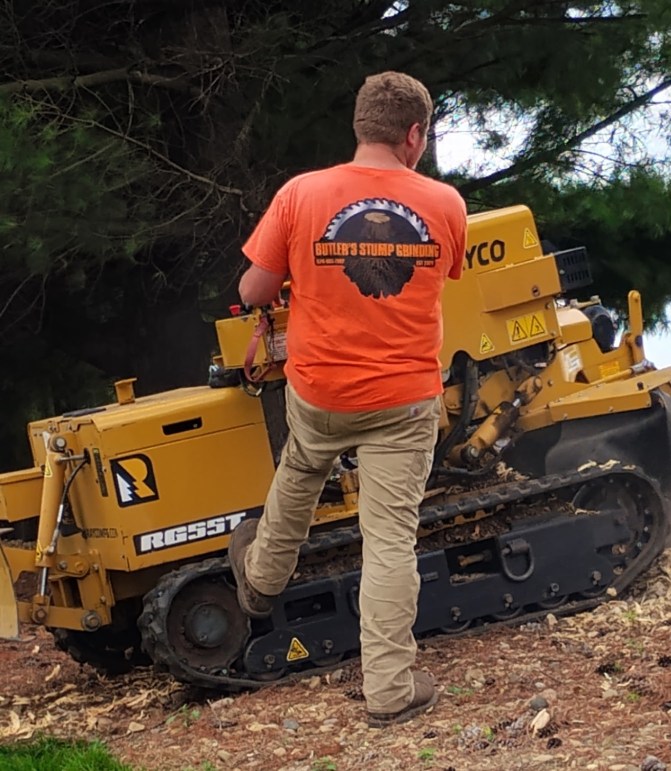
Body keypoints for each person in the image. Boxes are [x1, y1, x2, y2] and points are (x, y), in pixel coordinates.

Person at [228, 71, 467, 728]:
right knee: (388, 536)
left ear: (360, 126)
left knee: (301, 470)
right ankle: (390, 687)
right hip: (404, 399)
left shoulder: (301, 194)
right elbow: (444, 271)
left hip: (321, 389)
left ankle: (261, 580)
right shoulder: (445, 203)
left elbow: (253, 290)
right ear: (413, 134)